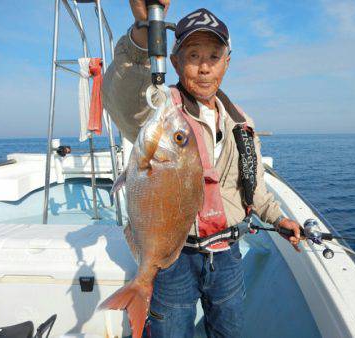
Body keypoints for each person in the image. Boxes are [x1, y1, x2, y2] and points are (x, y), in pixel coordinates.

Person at [102, 1, 302, 337]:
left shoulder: (242, 123)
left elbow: (253, 185)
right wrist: (142, 32)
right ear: (176, 61)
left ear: (227, 62)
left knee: (229, 332)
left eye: (213, 56)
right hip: (175, 258)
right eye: (193, 56)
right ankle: (142, 289)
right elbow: (121, 97)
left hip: (227, 257)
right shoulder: (161, 110)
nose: (204, 67)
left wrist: (278, 218)